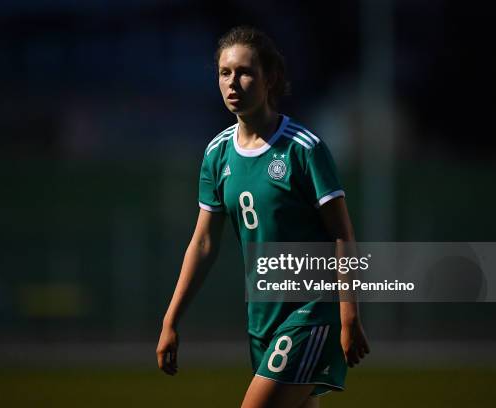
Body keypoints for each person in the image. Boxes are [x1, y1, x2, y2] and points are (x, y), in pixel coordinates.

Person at [156, 26, 370, 408]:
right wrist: (171, 319)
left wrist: (349, 314)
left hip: (311, 310)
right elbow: (204, 242)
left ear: (270, 78)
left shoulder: (304, 149)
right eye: (225, 72)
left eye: (244, 72)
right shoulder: (217, 153)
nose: (233, 82)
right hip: (262, 316)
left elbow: (342, 233)